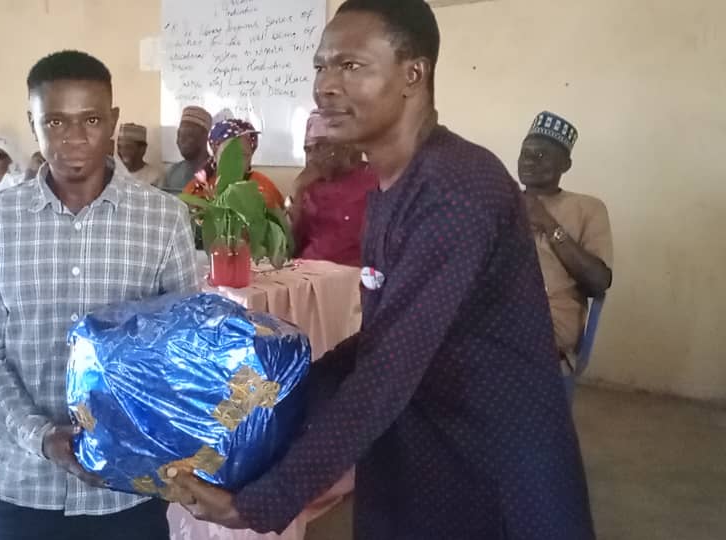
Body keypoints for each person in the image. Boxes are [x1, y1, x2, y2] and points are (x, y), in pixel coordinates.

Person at [168, 2, 594, 539]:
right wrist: (265, 399)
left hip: (491, 473)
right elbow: (379, 340)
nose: (326, 86)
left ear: (413, 74)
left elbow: (386, 373)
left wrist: (262, 502)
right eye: (322, 66)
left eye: (351, 66)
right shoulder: (393, 184)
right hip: (419, 454)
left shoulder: (458, 191)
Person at [0, 50, 198, 540]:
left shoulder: (163, 219)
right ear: (33, 124)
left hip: (126, 490)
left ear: (113, 121)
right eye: (55, 121)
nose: (73, 138)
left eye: (90, 120)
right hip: (23, 485)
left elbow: (185, 349)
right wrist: (42, 437)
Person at [519, 111, 613, 365]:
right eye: (525, 153)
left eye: (541, 155)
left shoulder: (588, 208)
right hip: (492, 310)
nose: (529, 161)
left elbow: (598, 282)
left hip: (548, 318)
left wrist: (547, 222)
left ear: (566, 164)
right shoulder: (501, 201)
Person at [289, 111, 377, 266]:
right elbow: (289, 247)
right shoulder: (311, 184)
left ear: (345, 146)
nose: (313, 156)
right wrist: (297, 189)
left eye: (321, 146)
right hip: (307, 271)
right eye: (308, 149)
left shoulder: (373, 181)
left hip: (351, 273)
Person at [182, 118, 285, 209]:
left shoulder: (263, 187)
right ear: (215, 154)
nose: (237, 161)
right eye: (229, 154)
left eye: (244, 155)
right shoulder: (195, 190)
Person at [161, 106, 212, 193]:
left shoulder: (218, 172)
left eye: (189, 135)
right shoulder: (173, 172)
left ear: (205, 136)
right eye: (179, 135)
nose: (181, 141)